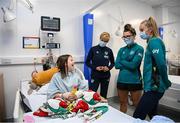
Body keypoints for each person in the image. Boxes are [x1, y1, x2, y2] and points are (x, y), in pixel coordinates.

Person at [133, 17, 172, 120]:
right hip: (150, 86)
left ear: (149, 30)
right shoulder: (151, 42)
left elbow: (161, 64)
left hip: (154, 87)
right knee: (153, 115)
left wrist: (166, 80)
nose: (140, 33)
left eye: (142, 30)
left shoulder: (154, 42)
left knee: (137, 116)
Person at [115, 24, 144, 113]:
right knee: (122, 103)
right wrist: (128, 62)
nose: (126, 38)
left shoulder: (139, 49)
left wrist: (122, 61)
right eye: (124, 37)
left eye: (128, 36)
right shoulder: (121, 50)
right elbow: (116, 65)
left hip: (134, 81)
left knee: (137, 104)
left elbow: (133, 66)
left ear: (134, 36)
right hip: (122, 81)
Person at [85, 32, 115, 99]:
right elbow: (87, 62)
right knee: (91, 94)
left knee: (103, 95)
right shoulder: (93, 49)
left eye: (105, 41)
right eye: (102, 40)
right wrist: (95, 68)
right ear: (100, 39)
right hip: (95, 75)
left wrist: (108, 68)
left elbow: (113, 63)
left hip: (105, 76)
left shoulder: (109, 50)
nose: (103, 42)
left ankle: (103, 106)